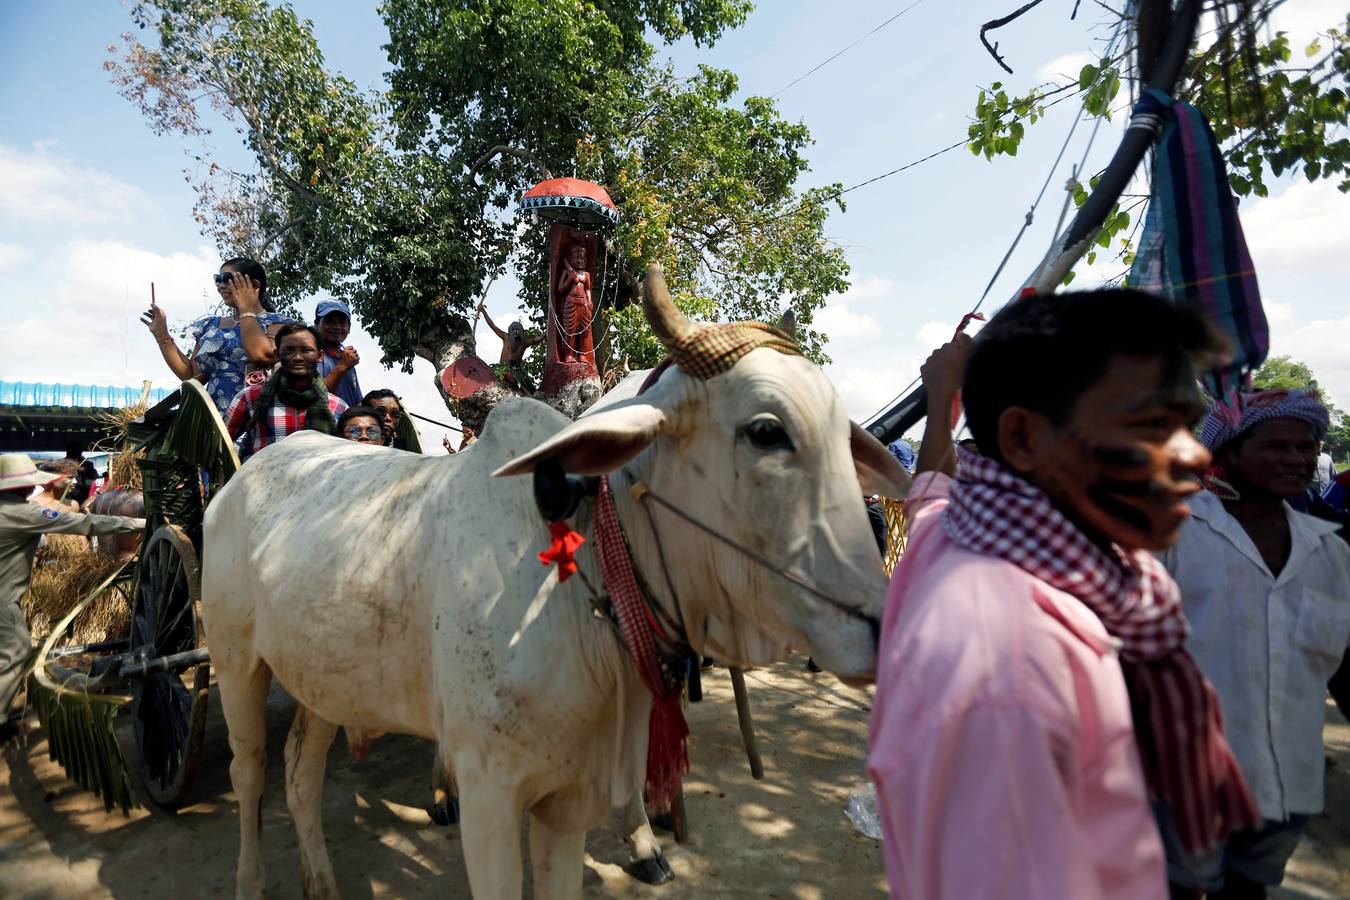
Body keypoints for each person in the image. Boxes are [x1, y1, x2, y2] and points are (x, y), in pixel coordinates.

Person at [869, 290, 1256, 900]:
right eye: (1152, 426)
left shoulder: (960, 532)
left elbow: (931, 493)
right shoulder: (1010, 669)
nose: (1195, 455)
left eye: (1187, 423)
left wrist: (943, 395)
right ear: (1023, 438)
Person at [1157, 389, 1350, 899]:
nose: (1296, 458)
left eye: (1306, 446)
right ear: (1227, 454)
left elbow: (1342, 660)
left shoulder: (1330, 550)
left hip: (1286, 780)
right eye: (1275, 445)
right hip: (1183, 779)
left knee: (1248, 890)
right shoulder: (1171, 532)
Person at [1, 454, 145, 727]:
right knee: (16, 650)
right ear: (22, 486)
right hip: (3, 598)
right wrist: (138, 524)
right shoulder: (25, 513)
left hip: (10, 593)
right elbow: (85, 524)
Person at [142, 257, 292, 414]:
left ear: (254, 285)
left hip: (258, 418)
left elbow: (262, 355)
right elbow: (193, 377)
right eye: (218, 280)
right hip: (217, 421)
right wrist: (161, 334)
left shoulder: (279, 324)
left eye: (227, 279)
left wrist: (246, 310)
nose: (221, 286)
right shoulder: (211, 326)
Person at [225, 324, 346, 461]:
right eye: (289, 350)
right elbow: (220, 445)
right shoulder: (251, 397)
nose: (298, 357)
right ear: (277, 354)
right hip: (260, 480)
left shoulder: (338, 407)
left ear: (320, 356)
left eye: (306, 350)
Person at [479, 303, 541, 393]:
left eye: (517, 330)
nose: (515, 332)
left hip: (516, 372)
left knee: (524, 381)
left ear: (521, 332)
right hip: (502, 369)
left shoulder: (523, 343)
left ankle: (527, 392)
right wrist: (483, 311)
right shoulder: (505, 337)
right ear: (510, 331)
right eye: (513, 330)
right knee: (500, 373)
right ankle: (524, 390)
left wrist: (548, 331)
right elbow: (492, 325)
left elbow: (536, 340)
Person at [315, 299, 364, 408]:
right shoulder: (313, 354)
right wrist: (342, 366)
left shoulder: (348, 359)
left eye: (342, 322)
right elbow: (317, 396)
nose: (336, 327)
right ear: (317, 324)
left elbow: (357, 402)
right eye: (329, 321)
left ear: (349, 328)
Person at [62, 441, 100, 508]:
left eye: (77, 450)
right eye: (72, 449)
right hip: (67, 492)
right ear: (68, 451)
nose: (75, 452)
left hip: (84, 493)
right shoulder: (61, 464)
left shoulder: (88, 464)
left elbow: (94, 477)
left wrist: (84, 470)